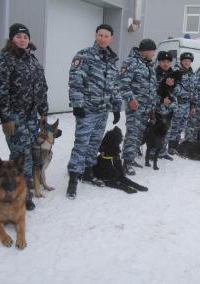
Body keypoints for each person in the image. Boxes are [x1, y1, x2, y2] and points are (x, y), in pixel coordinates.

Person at [0, 23, 48, 210]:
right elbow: (0, 91)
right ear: (11, 39)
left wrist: (44, 110)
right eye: (18, 37)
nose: (22, 40)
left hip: (32, 116)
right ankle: (21, 196)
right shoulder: (4, 60)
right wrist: (5, 117)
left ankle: (23, 188)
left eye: (25, 37)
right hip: (15, 117)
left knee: (30, 154)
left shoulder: (33, 61)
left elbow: (41, 88)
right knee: (20, 156)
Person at [66, 24, 121, 199]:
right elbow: (75, 81)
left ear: (111, 38)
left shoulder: (112, 60)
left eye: (106, 36)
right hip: (87, 109)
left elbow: (114, 86)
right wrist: (77, 104)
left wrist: (117, 106)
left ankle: (88, 173)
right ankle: (73, 178)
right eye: (100, 35)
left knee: (95, 143)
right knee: (81, 143)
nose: (103, 39)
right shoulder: (84, 55)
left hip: (103, 110)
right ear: (96, 35)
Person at [119, 39, 157, 176]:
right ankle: (127, 162)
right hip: (135, 107)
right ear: (147, 50)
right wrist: (131, 99)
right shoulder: (131, 62)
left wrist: (152, 106)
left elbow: (152, 87)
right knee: (132, 133)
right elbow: (122, 83)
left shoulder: (149, 65)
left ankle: (132, 157)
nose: (154, 53)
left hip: (146, 108)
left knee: (139, 134)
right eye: (153, 51)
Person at [168, 52, 196, 154]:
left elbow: (193, 90)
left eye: (189, 61)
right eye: (185, 61)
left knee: (181, 126)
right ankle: (170, 147)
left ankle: (176, 146)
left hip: (187, 105)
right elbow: (171, 88)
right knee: (174, 126)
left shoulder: (192, 74)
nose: (187, 63)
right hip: (178, 103)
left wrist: (193, 105)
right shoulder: (176, 71)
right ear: (181, 61)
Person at [152, 50, 175, 160]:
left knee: (167, 130)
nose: (166, 64)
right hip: (157, 109)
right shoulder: (153, 74)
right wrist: (161, 100)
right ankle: (152, 152)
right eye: (163, 61)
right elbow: (150, 92)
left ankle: (162, 152)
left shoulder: (174, 75)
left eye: (168, 61)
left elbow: (179, 91)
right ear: (159, 62)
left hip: (169, 110)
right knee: (155, 131)